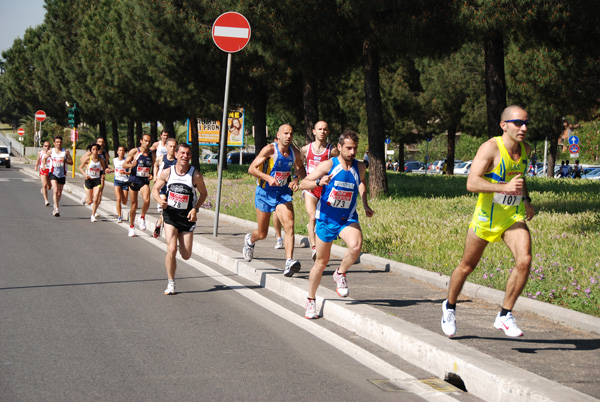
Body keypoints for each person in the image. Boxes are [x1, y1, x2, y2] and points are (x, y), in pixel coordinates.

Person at [441, 105, 535, 338]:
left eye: (526, 123)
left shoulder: (526, 149)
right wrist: (503, 188)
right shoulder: (491, 148)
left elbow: (519, 179)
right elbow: (471, 183)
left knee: (524, 260)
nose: (523, 128)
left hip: (512, 216)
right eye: (518, 123)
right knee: (466, 266)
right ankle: (449, 307)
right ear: (504, 125)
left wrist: (526, 200)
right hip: (485, 218)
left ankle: (505, 314)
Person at [299, 130, 374, 319]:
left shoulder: (360, 167)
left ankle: (340, 273)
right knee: (321, 263)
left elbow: (362, 182)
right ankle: (311, 300)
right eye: (348, 148)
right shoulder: (328, 165)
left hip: (347, 218)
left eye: (355, 148)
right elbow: (303, 184)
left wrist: (365, 203)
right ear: (339, 147)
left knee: (356, 246)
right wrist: (318, 181)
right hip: (325, 219)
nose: (352, 152)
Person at [242, 123, 306, 276]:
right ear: (278, 135)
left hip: (282, 193)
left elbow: (300, 168)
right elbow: (251, 169)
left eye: (291, 133)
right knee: (262, 234)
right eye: (285, 133)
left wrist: (295, 180)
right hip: (265, 193)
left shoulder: (295, 152)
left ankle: (289, 262)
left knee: (289, 225)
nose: (288, 136)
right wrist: (267, 178)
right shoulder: (270, 149)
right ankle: (250, 240)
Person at [152, 143, 208, 295]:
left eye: (188, 154)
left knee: (186, 255)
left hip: (187, 218)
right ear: (176, 154)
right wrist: (159, 201)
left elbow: (203, 194)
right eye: (182, 153)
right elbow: (155, 189)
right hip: (170, 215)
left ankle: (165, 227)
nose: (185, 156)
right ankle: (171, 283)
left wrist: (195, 209)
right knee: (171, 249)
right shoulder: (167, 172)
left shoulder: (195, 175)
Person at [300, 120, 339, 261]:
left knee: (323, 219)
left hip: (325, 189)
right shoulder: (305, 149)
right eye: (320, 129)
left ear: (328, 132)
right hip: (311, 187)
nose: (322, 131)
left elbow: (337, 167)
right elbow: (300, 167)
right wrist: (299, 180)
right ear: (314, 132)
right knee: (312, 216)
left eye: (325, 129)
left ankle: (322, 242)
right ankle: (314, 247)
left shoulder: (332, 150)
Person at [123, 134, 155, 237]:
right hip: (133, 180)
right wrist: (131, 165)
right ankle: (132, 226)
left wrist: (152, 175)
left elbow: (154, 166)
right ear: (141, 141)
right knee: (134, 205)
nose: (147, 143)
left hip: (144, 181)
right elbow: (124, 164)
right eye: (145, 141)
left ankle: (142, 217)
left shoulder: (151, 154)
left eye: (149, 141)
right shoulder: (135, 151)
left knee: (146, 200)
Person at [152, 138, 178, 237]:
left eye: (174, 147)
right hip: (162, 188)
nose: (172, 148)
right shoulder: (161, 158)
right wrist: (155, 175)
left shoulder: (177, 161)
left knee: (169, 212)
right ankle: (167, 232)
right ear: (166, 147)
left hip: (172, 190)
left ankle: (159, 224)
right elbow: (155, 165)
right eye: (170, 146)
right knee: (166, 208)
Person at [79, 143, 108, 222]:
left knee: (95, 198)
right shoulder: (88, 159)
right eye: (93, 149)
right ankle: (85, 198)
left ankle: (93, 215)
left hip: (97, 180)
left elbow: (103, 169)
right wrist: (85, 174)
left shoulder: (101, 160)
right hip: (89, 180)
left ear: (98, 150)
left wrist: (103, 175)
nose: (95, 151)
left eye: (96, 149)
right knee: (89, 201)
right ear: (91, 151)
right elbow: (80, 168)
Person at [48, 136, 73, 217]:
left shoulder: (65, 152)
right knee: (55, 190)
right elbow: (45, 158)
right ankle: (56, 209)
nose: (59, 143)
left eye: (60, 142)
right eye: (57, 142)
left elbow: (71, 162)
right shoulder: (51, 151)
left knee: (59, 192)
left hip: (62, 174)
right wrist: (44, 166)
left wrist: (65, 160)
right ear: (54, 143)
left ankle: (56, 205)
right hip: (53, 173)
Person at [113, 146, 130, 223]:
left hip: (125, 181)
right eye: (120, 150)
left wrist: (125, 172)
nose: (121, 152)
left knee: (124, 201)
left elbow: (130, 171)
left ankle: (120, 214)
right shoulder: (114, 160)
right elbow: (115, 169)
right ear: (117, 152)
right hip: (117, 181)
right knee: (118, 199)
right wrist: (109, 170)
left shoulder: (127, 161)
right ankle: (119, 216)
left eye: (123, 150)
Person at [35, 141, 52, 206]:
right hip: (43, 169)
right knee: (44, 184)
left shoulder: (51, 152)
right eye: (45, 146)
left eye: (48, 146)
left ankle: (43, 189)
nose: (47, 147)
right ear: (43, 146)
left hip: (50, 170)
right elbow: (38, 160)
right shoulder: (40, 153)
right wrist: (36, 166)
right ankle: (46, 200)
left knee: (49, 187)